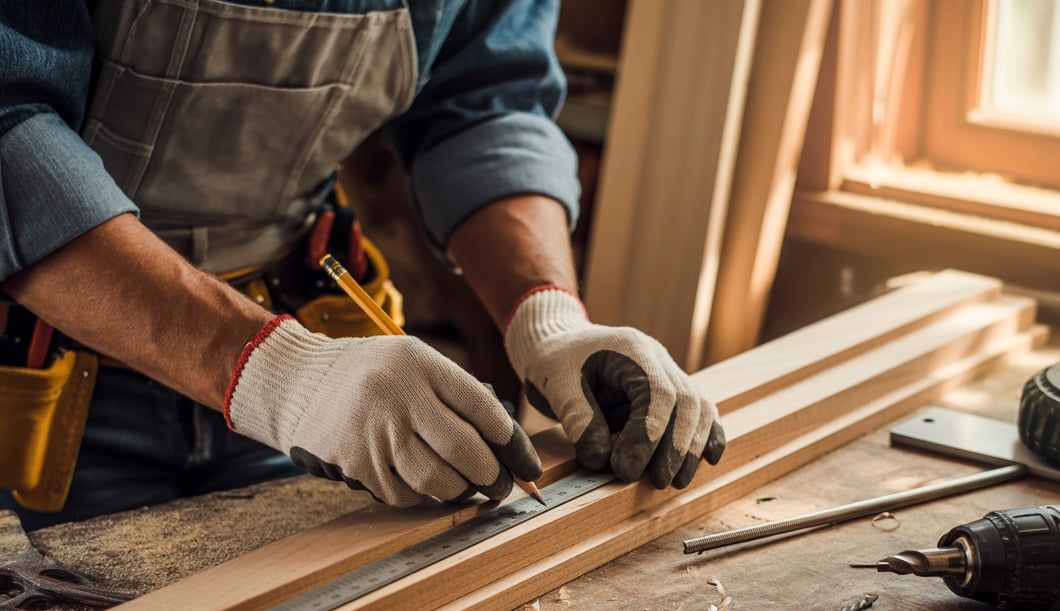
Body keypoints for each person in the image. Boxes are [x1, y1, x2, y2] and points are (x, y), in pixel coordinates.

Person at [0, 0, 725, 530]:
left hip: (307, 345)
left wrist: (549, 320)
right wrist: (281, 377)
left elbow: (481, 102)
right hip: (40, 361)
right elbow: (10, 127)